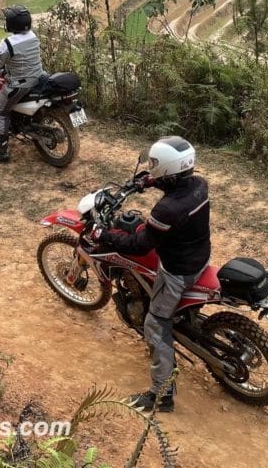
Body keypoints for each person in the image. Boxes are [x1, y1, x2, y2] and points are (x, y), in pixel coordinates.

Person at [93, 136, 210, 413]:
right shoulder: (198, 185)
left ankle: (162, 395)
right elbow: (171, 182)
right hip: (200, 255)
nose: (152, 166)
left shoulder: (166, 210)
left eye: (156, 164)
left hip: (178, 271)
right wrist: (147, 180)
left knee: (156, 324)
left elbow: (140, 244)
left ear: (168, 168)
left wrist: (105, 234)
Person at [0, 5, 46, 164]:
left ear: (13, 24)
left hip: (20, 84)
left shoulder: (8, 43)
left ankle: (2, 153)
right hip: (39, 77)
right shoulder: (33, 35)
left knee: (0, 112)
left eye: (8, 20)